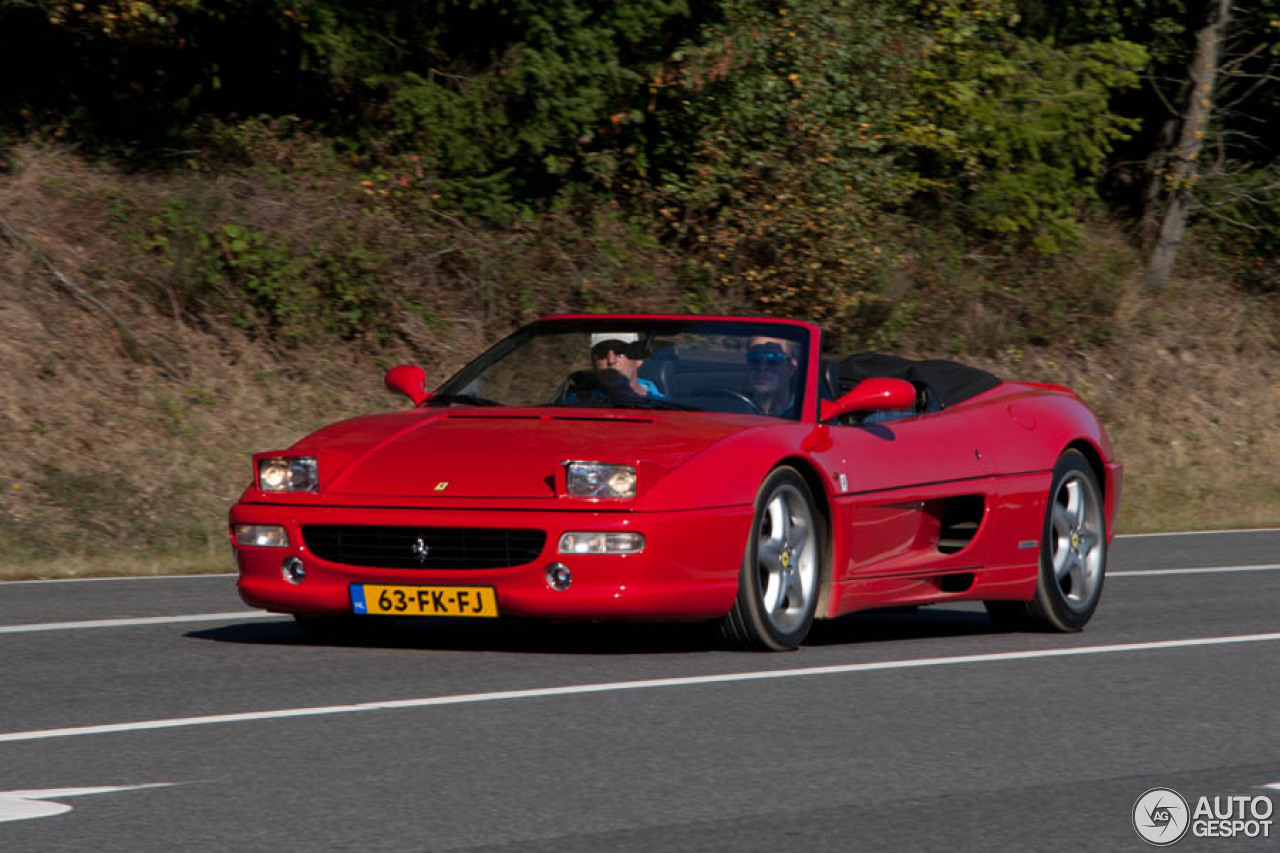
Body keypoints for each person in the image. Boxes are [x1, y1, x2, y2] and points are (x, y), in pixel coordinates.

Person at [589, 333, 665, 399]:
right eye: (601, 352)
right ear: (593, 360)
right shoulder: (579, 405)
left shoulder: (667, 407)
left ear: (639, 359)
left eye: (620, 351)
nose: (611, 360)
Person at [745, 336, 799, 416]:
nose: (761, 367)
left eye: (774, 359)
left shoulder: (807, 412)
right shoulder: (733, 409)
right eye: (754, 357)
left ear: (791, 367)